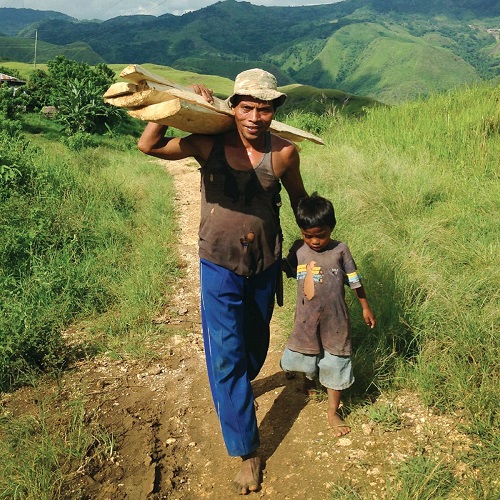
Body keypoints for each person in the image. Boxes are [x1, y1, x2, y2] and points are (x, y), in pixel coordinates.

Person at [138, 68, 307, 494]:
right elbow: (148, 146)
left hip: (265, 263)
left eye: (264, 108)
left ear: (273, 112)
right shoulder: (206, 144)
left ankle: (238, 386)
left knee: (254, 345)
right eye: (246, 106)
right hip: (217, 264)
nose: (254, 116)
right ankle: (247, 450)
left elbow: (299, 199)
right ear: (233, 108)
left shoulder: (284, 153)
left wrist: (312, 244)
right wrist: (177, 110)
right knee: (227, 358)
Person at [280, 193, 376, 437]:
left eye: (320, 235)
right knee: (306, 355)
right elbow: (288, 269)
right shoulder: (298, 249)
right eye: (308, 235)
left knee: (336, 359)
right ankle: (309, 380)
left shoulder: (340, 250)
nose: (314, 241)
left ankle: (333, 410)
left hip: (335, 320)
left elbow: (354, 281)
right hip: (306, 318)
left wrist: (365, 306)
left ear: (332, 228)